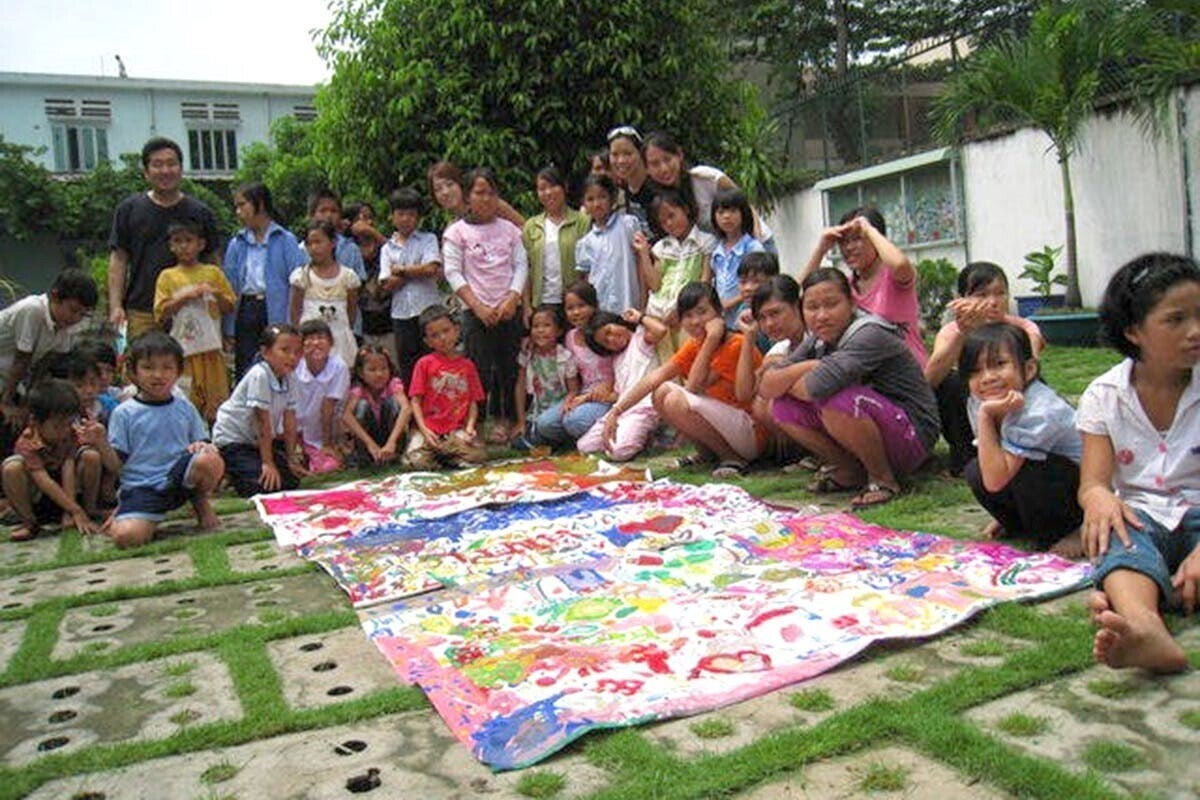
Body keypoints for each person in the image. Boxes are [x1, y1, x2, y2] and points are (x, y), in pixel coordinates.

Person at [1080, 253, 1200, 674]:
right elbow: (1093, 483)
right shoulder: (1104, 396)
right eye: (1176, 320)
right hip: (1143, 516)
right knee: (1116, 537)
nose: (1195, 331)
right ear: (1133, 331)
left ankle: (1134, 597)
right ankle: (1143, 626)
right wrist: (1099, 499)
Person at [760, 268, 939, 509]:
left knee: (837, 399)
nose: (821, 315)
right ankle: (850, 469)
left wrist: (788, 379)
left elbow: (812, 388)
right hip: (875, 428)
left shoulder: (868, 334)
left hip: (912, 435)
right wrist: (810, 366)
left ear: (852, 303)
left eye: (831, 304)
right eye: (812, 307)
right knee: (782, 406)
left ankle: (882, 479)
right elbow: (766, 388)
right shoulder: (817, 340)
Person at [604, 283, 761, 476]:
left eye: (702, 312)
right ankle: (706, 454)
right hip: (729, 426)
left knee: (676, 399)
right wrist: (616, 411)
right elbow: (656, 377)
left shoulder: (735, 344)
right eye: (688, 315)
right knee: (661, 392)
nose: (695, 321)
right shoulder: (696, 344)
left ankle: (732, 458)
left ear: (718, 312)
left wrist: (712, 339)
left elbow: (693, 387)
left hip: (751, 431)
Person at [961, 322, 1082, 555]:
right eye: (975, 371)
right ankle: (1019, 523)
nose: (987, 378)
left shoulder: (1040, 411)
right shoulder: (981, 401)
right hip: (1032, 474)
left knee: (1027, 472)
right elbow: (990, 462)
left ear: (1029, 369)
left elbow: (996, 480)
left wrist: (985, 416)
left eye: (999, 364)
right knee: (976, 470)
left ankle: (1075, 530)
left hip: (1082, 489)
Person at [103, 332, 224, 548]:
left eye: (167, 367)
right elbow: (116, 465)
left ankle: (200, 504)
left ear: (178, 372)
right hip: (142, 487)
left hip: (179, 480)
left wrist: (201, 446)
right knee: (126, 538)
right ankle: (130, 515)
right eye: (148, 368)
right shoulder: (124, 413)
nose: (158, 375)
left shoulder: (184, 407)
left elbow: (204, 442)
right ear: (133, 373)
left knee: (210, 459)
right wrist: (98, 443)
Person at [926, 262, 1046, 475]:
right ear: (962, 299)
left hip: (1011, 401)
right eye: (981, 295)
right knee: (949, 383)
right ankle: (966, 455)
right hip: (972, 407)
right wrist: (963, 334)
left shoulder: (1023, 328)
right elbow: (930, 381)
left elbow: (1032, 372)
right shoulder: (951, 332)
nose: (993, 302)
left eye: (1000, 293)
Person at [442, 168, 528, 443]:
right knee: (477, 370)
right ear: (467, 196)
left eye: (491, 192)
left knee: (509, 368)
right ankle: (475, 424)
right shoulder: (456, 233)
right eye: (480, 193)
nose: (486, 198)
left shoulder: (510, 230)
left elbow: (521, 265)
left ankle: (506, 420)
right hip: (475, 312)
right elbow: (453, 273)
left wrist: (512, 298)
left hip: (508, 309)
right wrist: (477, 306)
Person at [108, 137, 221, 342]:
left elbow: (213, 260)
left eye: (171, 164)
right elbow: (119, 259)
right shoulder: (129, 209)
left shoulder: (201, 212)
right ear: (146, 172)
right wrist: (115, 306)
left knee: (191, 363)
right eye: (157, 165)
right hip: (142, 311)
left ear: (181, 169)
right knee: (144, 360)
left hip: (192, 310)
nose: (165, 170)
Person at [800, 207, 927, 369]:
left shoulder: (893, 278)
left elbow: (900, 264)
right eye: (843, 242)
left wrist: (868, 229)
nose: (849, 248)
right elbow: (800, 294)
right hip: (870, 375)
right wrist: (821, 249)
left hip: (908, 373)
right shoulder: (846, 286)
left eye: (857, 239)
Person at [223, 182, 308, 382]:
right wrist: (228, 327)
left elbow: (298, 283)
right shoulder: (237, 243)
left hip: (276, 309)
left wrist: (293, 323)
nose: (238, 212)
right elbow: (230, 286)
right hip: (247, 308)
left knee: (278, 364)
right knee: (246, 365)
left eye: (242, 205)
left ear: (259, 204)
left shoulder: (285, 240)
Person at [212, 324, 309, 497]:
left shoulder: (291, 377)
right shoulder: (260, 375)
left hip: (257, 442)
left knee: (290, 480)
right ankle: (225, 469)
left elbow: (289, 420)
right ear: (265, 352)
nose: (292, 357)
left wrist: (291, 458)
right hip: (235, 439)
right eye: (285, 350)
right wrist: (267, 463)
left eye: (297, 352)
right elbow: (261, 421)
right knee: (262, 485)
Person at [153, 220, 236, 422]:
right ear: (171, 246)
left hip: (211, 349)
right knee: (186, 400)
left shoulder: (213, 273)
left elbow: (230, 306)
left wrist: (215, 293)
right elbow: (161, 313)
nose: (184, 246)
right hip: (184, 351)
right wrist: (185, 297)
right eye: (177, 241)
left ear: (200, 244)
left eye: (188, 240)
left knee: (217, 403)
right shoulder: (167, 276)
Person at [1, 379, 102, 541]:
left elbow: (68, 467)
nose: (64, 430)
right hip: (40, 494)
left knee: (91, 456)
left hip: (67, 489)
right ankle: (29, 522)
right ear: (35, 422)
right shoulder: (28, 441)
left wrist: (71, 510)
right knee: (11, 468)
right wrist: (74, 510)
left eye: (68, 424)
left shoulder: (69, 433)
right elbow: (43, 480)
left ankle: (89, 510)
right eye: (57, 426)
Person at [642, 130, 775, 249]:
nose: (664, 168)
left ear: (679, 155)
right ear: (647, 169)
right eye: (655, 164)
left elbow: (744, 203)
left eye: (667, 159)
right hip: (723, 255)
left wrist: (756, 241)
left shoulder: (704, 177)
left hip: (752, 244)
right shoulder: (663, 201)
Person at [0, 269, 96, 420]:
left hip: (12, 379)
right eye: (73, 310)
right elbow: (22, 359)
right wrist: (6, 403)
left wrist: (27, 406)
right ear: (55, 297)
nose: (76, 318)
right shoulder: (32, 310)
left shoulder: (66, 326)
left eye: (83, 314)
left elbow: (44, 364)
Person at [577, 308, 666, 462]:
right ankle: (632, 437)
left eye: (609, 331)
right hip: (622, 411)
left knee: (618, 452)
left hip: (644, 409)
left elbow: (661, 330)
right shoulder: (617, 359)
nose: (612, 339)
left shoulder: (640, 339)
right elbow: (618, 394)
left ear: (618, 322)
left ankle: (642, 436)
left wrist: (640, 317)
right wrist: (587, 397)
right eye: (606, 342)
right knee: (584, 447)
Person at [405, 305, 487, 469]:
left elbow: (473, 401)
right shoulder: (424, 364)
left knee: (478, 455)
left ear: (456, 330)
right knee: (416, 461)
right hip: (430, 429)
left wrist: (470, 427)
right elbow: (415, 401)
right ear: (427, 341)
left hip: (456, 430)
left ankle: (448, 456)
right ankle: (441, 455)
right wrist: (424, 429)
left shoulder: (467, 366)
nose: (442, 338)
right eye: (434, 335)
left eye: (446, 331)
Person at [737, 275, 807, 467]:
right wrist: (748, 337)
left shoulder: (818, 338)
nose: (769, 324)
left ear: (797, 307)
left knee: (772, 401)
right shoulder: (781, 347)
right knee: (761, 402)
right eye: (762, 318)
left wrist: (784, 367)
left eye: (775, 313)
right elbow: (744, 393)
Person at [379, 187, 442, 387]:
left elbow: (431, 269)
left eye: (411, 214)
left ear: (418, 218)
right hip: (401, 314)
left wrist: (401, 270)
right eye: (401, 213)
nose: (406, 219)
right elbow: (386, 284)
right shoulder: (387, 248)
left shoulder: (428, 239)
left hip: (428, 311)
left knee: (434, 361)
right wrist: (416, 271)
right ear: (392, 216)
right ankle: (413, 404)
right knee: (408, 365)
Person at [641, 191, 716, 343]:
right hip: (658, 315)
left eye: (672, 216)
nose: (669, 224)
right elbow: (655, 285)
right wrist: (643, 253)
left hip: (688, 315)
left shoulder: (705, 242)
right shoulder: (661, 247)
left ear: (685, 209)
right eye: (663, 222)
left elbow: (704, 282)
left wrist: (681, 310)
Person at [522, 166, 590, 324]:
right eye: (542, 189)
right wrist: (527, 306)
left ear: (564, 187)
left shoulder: (582, 221)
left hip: (575, 303)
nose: (548, 193)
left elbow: (589, 266)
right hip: (543, 303)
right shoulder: (532, 226)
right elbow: (525, 268)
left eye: (552, 186)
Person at [290, 220, 361, 370]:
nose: (314, 248)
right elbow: (295, 311)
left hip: (340, 341)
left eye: (318, 242)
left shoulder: (348, 277)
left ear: (333, 242)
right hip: (310, 341)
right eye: (309, 244)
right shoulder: (301, 276)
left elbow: (351, 312)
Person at [574, 174, 644, 315]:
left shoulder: (628, 225)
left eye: (602, 197)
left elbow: (641, 263)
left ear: (612, 198)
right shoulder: (585, 243)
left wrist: (643, 300)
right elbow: (586, 280)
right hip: (601, 309)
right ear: (584, 204)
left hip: (630, 304)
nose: (596, 204)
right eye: (590, 199)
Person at [556, 282, 616, 444]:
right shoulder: (570, 337)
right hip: (584, 394)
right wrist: (572, 395)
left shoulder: (606, 331)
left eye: (581, 306)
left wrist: (609, 385)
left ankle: (609, 426)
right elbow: (573, 373)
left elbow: (622, 365)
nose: (576, 312)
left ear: (594, 305)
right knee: (546, 424)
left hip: (608, 395)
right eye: (570, 308)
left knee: (573, 421)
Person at [512, 305, 579, 448]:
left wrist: (566, 406)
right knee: (518, 443)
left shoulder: (565, 357)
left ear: (559, 331)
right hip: (538, 411)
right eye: (535, 326)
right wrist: (521, 421)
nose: (540, 330)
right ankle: (550, 440)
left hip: (560, 410)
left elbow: (573, 390)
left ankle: (563, 438)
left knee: (546, 425)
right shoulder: (528, 355)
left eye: (547, 325)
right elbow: (520, 386)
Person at [345, 200, 397, 368]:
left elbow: (399, 255)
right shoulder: (347, 249)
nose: (365, 222)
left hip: (389, 321)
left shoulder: (384, 246)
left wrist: (374, 234)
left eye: (369, 217)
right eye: (360, 218)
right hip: (361, 324)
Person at [294, 319, 350, 474]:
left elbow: (328, 406)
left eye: (321, 338)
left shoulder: (338, 367)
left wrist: (327, 444)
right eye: (309, 339)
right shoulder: (295, 367)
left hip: (326, 431)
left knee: (328, 466)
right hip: (296, 430)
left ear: (331, 343)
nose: (316, 343)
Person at [342, 345, 412, 468]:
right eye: (372, 370)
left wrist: (391, 442)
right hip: (369, 439)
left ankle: (395, 455)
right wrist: (370, 444)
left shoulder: (393, 384)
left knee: (393, 404)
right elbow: (346, 415)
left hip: (390, 438)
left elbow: (406, 408)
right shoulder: (359, 389)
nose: (379, 374)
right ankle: (365, 457)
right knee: (362, 406)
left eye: (383, 368)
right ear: (361, 373)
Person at [709, 188, 765, 328]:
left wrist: (729, 303)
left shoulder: (752, 248)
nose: (726, 217)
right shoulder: (716, 251)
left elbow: (760, 285)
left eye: (733, 211)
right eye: (720, 212)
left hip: (748, 316)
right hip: (725, 321)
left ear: (743, 214)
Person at [427, 161, 525, 227]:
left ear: (460, 184)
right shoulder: (453, 228)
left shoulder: (489, 202)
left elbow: (524, 228)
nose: (445, 192)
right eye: (438, 189)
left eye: (450, 184)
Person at [605, 126, 655, 235]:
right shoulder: (621, 193)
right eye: (615, 155)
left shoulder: (657, 187)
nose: (621, 161)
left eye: (627, 154)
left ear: (640, 153)